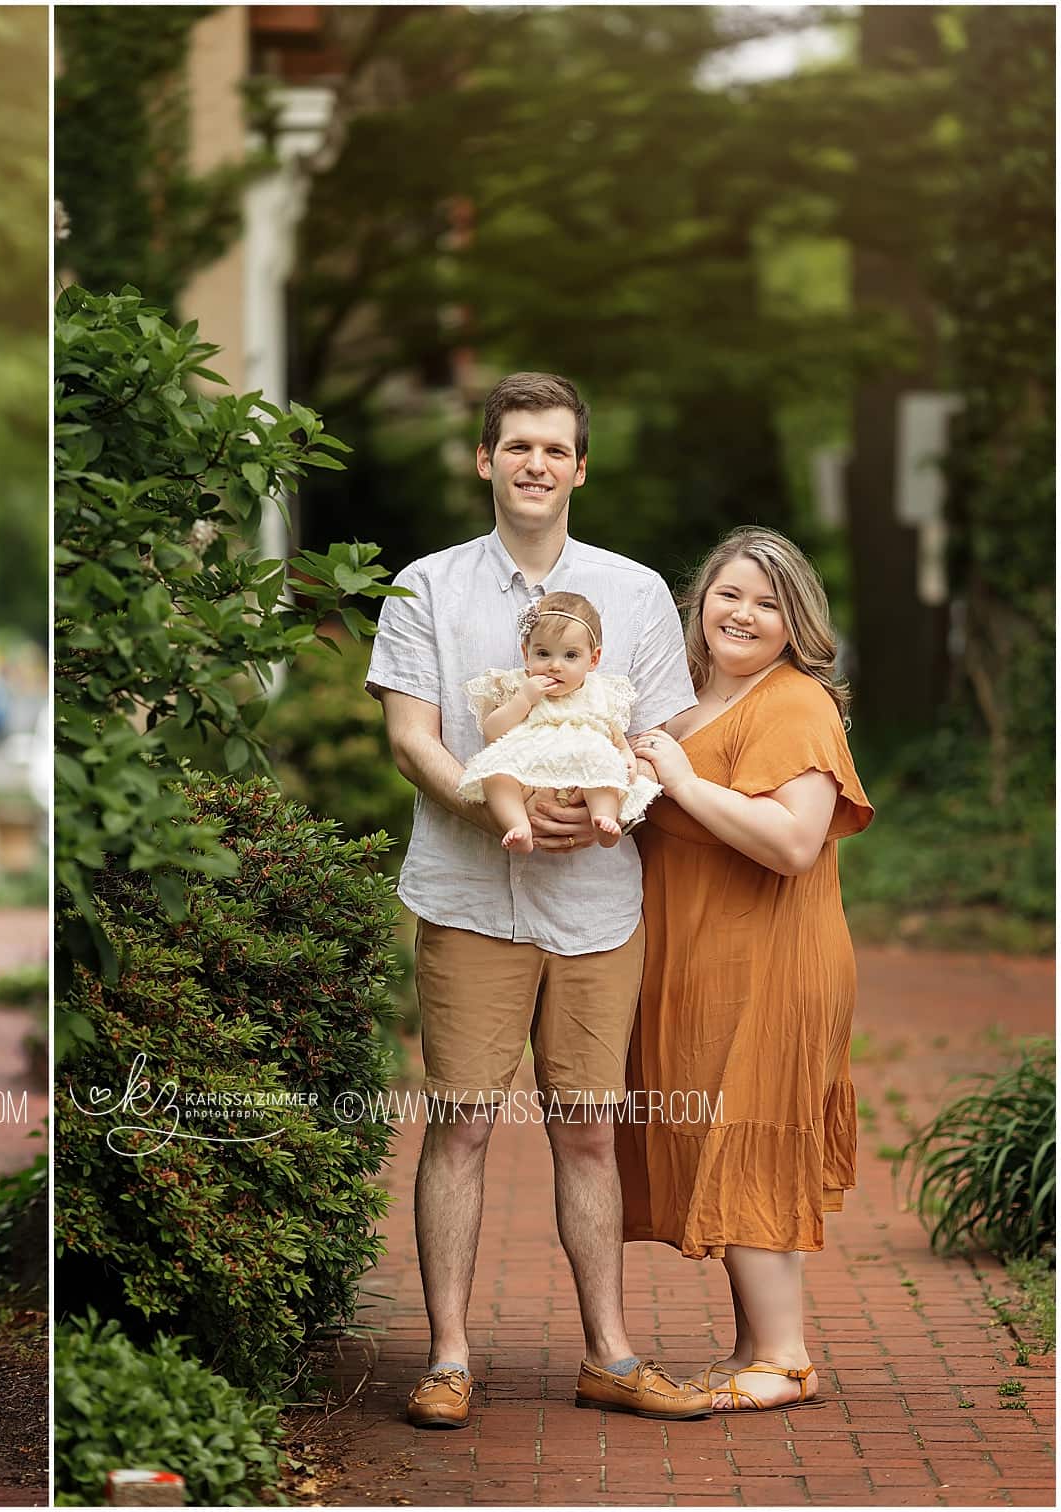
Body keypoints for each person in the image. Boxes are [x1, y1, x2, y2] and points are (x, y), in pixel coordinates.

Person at [366, 371, 711, 1429]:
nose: (534, 464)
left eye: (554, 448)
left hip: (595, 904)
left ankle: (607, 1353)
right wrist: (484, 808)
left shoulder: (638, 591)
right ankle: (449, 1359)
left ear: (577, 467)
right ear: (484, 460)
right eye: (516, 445)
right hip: (468, 894)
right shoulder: (425, 587)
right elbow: (410, 736)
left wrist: (615, 804)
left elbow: (665, 739)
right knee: (461, 1124)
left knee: (589, 1134)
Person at [622, 526, 872, 1412]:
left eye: (768, 603)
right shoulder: (678, 699)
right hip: (697, 959)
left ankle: (786, 1359)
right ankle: (752, 1347)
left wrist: (683, 784)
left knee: (751, 1132)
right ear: (701, 601)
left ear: (794, 621)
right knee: (719, 1140)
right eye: (730, 594)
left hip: (773, 958)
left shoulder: (794, 704)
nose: (744, 614)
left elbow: (796, 842)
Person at [456, 590, 661, 853]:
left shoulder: (602, 692)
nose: (555, 665)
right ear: (526, 653)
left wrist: (626, 758)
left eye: (570, 656)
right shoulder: (519, 686)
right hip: (529, 772)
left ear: (593, 659)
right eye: (543, 653)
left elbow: (617, 739)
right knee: (496, 775)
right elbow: (492, 733)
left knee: (605, 773)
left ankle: (605, 820)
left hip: (585, 765)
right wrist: (524, 699)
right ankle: (517, 825)